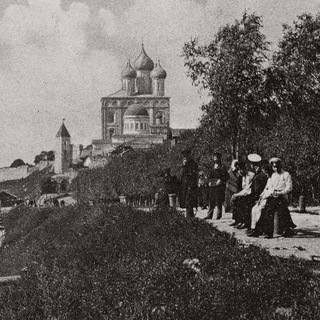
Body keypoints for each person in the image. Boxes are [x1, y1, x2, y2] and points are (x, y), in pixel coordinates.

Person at [257, 157, 296, 238]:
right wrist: (271, 193)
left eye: (278, 166)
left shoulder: (286, 174)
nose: (276, 168)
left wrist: (280, 193)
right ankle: (267, 231)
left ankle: (269, 231)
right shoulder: (273, 176)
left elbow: (289, 187)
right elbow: (269, 187)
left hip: (282, 195)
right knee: (267, 209)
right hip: (273, 195)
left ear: (281, 166)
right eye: (274, 167)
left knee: (271, 209)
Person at [231, 154, 268, 230]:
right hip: (255, 194)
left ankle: (246, 223)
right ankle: (241, 221)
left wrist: (237, 195)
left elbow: (249, 189)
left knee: (245, 201)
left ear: (251, 165)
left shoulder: (255, 175)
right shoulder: (256, 173)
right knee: (241, 200)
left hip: (257, 195)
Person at [204, 152, 229, 220]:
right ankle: (209, 215)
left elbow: (227, 176)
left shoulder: (222, 167)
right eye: (214, 157)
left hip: (219, 186)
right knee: (211, 200)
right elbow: (209, 175)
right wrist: (208, 181)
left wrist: (221, 180)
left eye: (217, 157)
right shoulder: (212, 166)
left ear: (220, 158)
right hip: (212, 185)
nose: (216, 159)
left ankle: (218, 215)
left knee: (219, 201)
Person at [179, 149, 199, 218]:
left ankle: (189, 216)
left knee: (189, 201)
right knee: (186, 201)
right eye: (184, 156)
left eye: (186, 156)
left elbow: (193, 174)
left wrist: (185, 166)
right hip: (185, 184)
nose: (185, 157)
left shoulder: (192, 163)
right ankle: (190, 216)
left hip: (191, 184)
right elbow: (182, 174)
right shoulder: (184, 164)